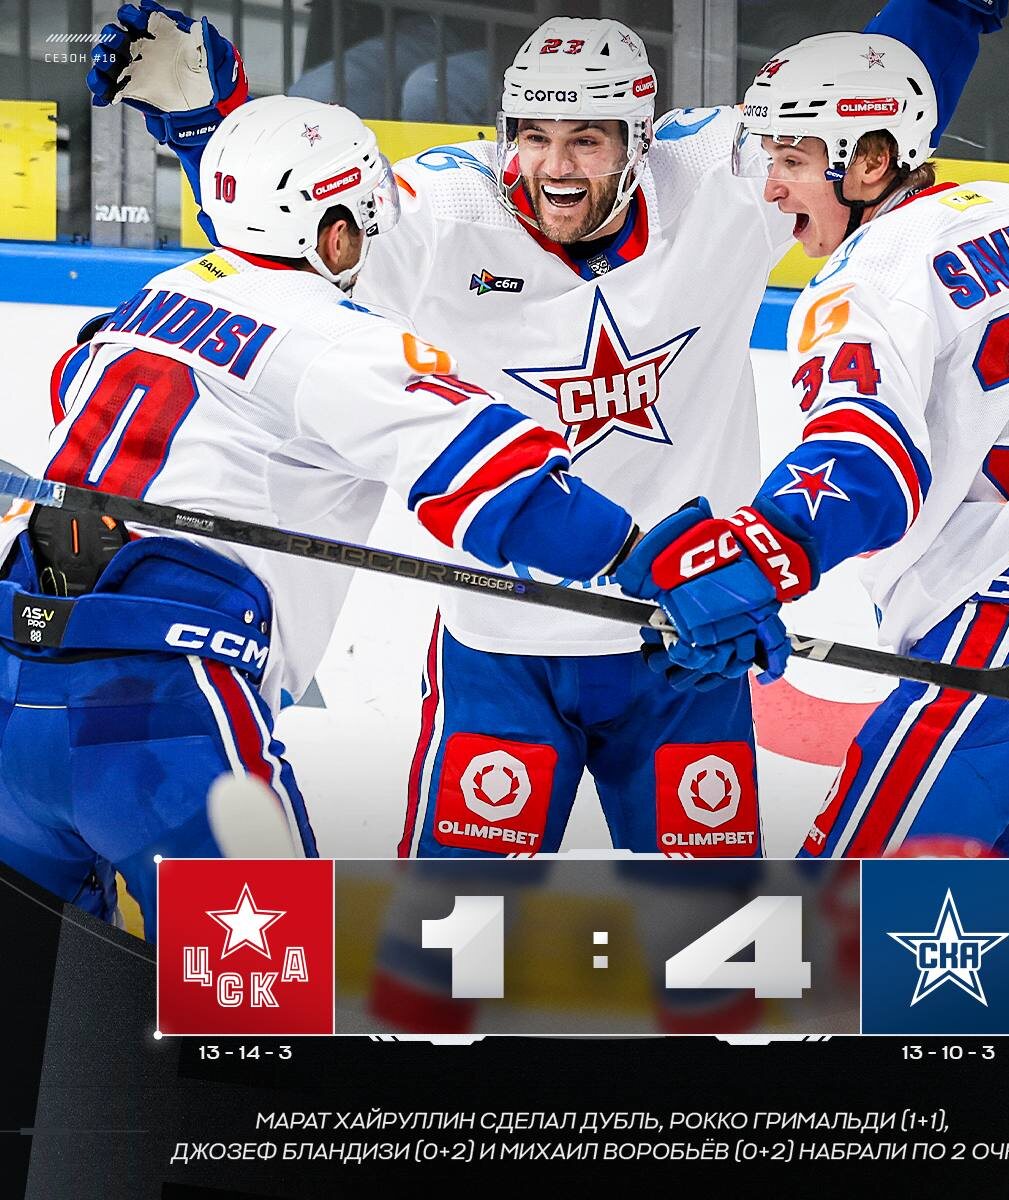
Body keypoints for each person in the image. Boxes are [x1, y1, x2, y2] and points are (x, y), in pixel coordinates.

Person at [87, 1, 1007, 860]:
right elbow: (282, 238)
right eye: (533, 136)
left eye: (586, 140)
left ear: (640, 141)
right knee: (451, 943)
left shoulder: (718, 178)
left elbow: (861, 97)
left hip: (685, 651)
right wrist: (210, 127)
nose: (555, 167)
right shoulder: (439, 208)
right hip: (502, 647)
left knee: (710, 933)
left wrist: (950, 8)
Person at [0, 95, 640, 940]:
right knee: (264, 1003)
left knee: (42, 1009)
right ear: (332, 234)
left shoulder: (153, 298)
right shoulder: (336, 337)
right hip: (162, 716)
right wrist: (654, 563)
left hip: (12, 685)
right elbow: (502, 485)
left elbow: (73, 394)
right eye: (364, 222)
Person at [614, 30, 1009, 924]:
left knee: (841, 928)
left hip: (1006, 640)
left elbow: (864, 463)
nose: (772, 188)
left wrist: (746, 566)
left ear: (872, 160)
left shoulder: (867, 279)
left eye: (795, 161)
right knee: (973, 935)